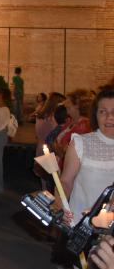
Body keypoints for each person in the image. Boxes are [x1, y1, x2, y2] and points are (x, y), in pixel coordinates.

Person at [61, 86, 114, 226]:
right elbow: (65, 182)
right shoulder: (81, 143)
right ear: (95, 115)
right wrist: (59, 206)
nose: (109, 117)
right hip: (79, 223)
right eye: (103, 111)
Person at [54, 89, 93, 168]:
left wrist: (60, 150)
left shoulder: (83, 126)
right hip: (61, 164)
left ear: (77, 105)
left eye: (68, 101)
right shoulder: (70, 121)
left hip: (71, 169)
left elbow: (76, 154)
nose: (64, 104)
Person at [34, 92, 66, 158]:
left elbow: (37, 136)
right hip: (51, 153)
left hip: (40, 150)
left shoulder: (40, 116)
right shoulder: (54, 119)